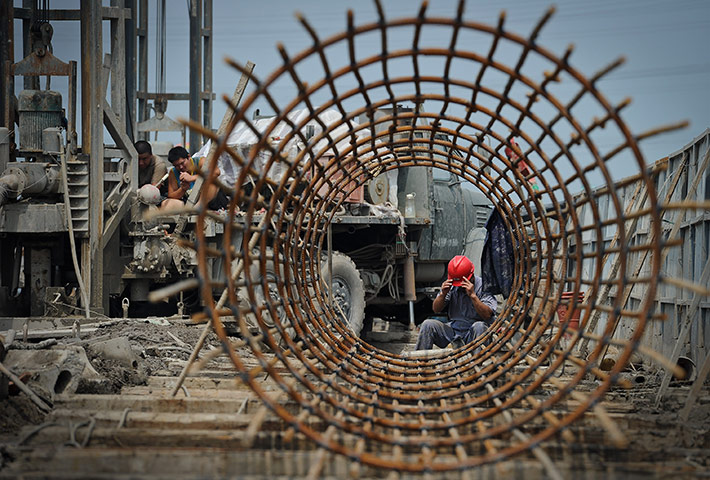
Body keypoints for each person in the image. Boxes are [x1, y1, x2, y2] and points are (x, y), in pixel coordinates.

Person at [415, 255, 497, 351]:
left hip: (473, 332)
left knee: (480, 326)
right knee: (428, 324)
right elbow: (436, 309)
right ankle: (420, 361)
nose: (460, 286)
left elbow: (487, 315)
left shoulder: (484, 286)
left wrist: (473, 296)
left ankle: (477, 362)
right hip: (454, 330)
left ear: (471, 277)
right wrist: (443, 294)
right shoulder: (453, 285)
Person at [162, 146, 229, 211]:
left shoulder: (201, 161)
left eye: (182, 163)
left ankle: (198, 206)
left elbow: (216, 172)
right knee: (166, 204)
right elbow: (171, 195)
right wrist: (182, 189)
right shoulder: (173, 173)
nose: (181, 167)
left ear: (189, 157)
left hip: (210, 200)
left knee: (212, 181)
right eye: (177, 166)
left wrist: (192, 178)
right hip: (189, 202)